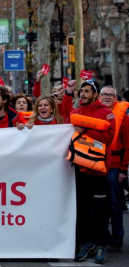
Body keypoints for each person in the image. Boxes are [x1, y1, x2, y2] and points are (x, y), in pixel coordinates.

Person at [60, 80, 115, 264]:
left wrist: (84, 131)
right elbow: (63, 128)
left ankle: (101, 245)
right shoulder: (75, 113)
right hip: (79, 171)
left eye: (86, 91)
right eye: (81, 91)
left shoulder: (106, 114)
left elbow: (107, 138)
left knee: (100, 210)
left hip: (98, 172)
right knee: (82, 210)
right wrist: (67, 94)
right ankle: (85, 243)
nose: (82, 94)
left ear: (95, 94)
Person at [98, 85, 129, 253]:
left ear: (116, 99)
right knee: (98, 204)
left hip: (115, 166)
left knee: (115, 204)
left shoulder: (123, 117)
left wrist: (123, 170)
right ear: (99, 97)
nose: (107, 97)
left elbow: (127, 145)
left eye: (111, 95)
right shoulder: (93, 113)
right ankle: (103, 236)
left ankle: (117, 238)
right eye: (104, 94)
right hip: (95, 164)